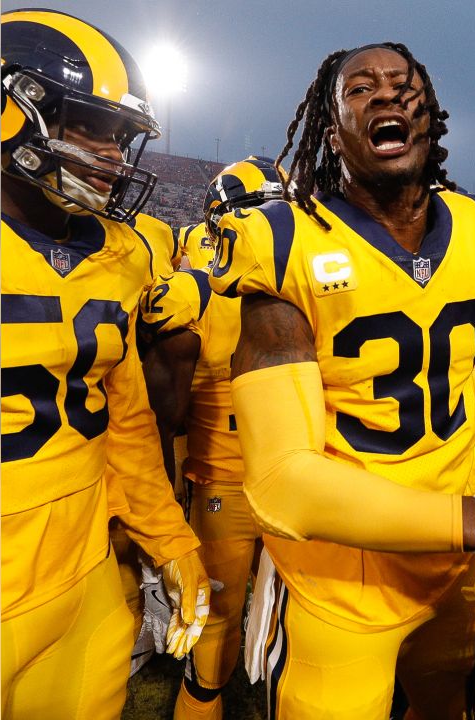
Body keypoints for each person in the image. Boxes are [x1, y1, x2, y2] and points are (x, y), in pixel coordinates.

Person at [208, 43, 475, 718]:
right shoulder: (280, 242)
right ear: (332, 132)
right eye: (360, 90)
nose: (386, 96)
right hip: (342, 574)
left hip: (458, 567)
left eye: (403, 86)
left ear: (432, 118)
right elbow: (282, 482)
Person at [0, 9, 210, 718]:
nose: (113, 156)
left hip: (84, 579)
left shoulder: (122, 255)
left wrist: (170, 536)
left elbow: (125, 424)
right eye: (89, 126)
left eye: (121, 137)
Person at [138, 156, 287, 719]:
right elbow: (158, 410)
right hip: (223, 477)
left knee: (297, 619)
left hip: (300, 479)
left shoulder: (311, 281)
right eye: (253, 214)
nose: (265, 229)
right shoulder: (192, 292)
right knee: (217, 617)